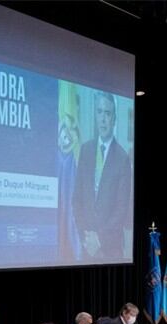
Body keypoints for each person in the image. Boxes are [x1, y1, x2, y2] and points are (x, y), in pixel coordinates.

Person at [72, 91, 133, 260]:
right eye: (99, 112)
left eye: (107, 113)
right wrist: (86, 236)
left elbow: (121, 209)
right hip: (86, 247)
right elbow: (77, 199)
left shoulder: (122, 158)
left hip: (110, 250)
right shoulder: (85, 150)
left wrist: (99, 239)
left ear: (114, 118)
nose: (103, 118)